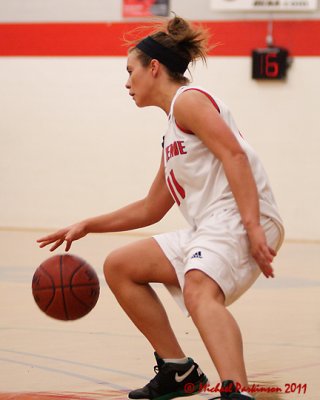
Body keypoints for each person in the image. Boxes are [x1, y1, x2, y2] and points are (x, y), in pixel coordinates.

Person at [37, 15, 284, 400]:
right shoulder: (173, 128)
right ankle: (178, 370)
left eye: (130, 70)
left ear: (153, 68)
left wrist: (252, 227)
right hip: (213, 225)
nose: (126, 81)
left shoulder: (190, 101)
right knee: (121, 265)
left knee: (199, 288)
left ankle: (237, 392)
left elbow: (234, 156)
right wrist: (88, 224)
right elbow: (152, 208)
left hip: (240, 215)